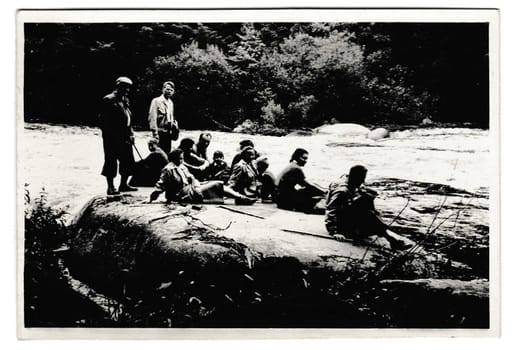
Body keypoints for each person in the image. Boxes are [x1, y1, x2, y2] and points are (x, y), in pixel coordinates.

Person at [325, 165, 412, 250]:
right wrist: (335, 232)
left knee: (368, 197)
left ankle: (378, 229)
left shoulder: (347, 180)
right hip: (341, 224)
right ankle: (392, 240)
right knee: (368, 213)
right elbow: (331, 209)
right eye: (361, 179)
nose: (363, 181)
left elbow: (360, 189)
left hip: (345, 214)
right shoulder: (342, 191)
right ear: (355, 177)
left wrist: (364, 192)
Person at [149, 149, 256, 205]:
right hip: (182, 194)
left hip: (192, 188)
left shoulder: (181, 166)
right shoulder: (168, 169)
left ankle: (242, 198)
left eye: (182, 158)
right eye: (180, 158)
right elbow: (160, 185)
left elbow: (191, 177)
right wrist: (150, 198)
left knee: (217, 182)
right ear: (174, 159)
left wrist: (195, 184)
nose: (182, 161)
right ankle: (243, 198)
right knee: (217, 184)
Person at [98, 76, 138, 195]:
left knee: (128, 160)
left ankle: (123, 184)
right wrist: (112, 135)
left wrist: (131, 134)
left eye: (128, 88)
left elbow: (128, 118)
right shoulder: (109, 99)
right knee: (111, 161)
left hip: (126, 136)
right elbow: (102, 122)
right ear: (118, 86)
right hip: (112, 137)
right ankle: (110, 187)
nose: (127, 90)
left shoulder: (125, 100)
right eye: (124, 87)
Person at [276, 148, 326, 213]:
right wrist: (323, 192)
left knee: (310, 189)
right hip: (284, 202)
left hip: (280, 199)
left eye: (306, 159)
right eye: (304, 158)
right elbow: (307, 185)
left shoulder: (292, 165)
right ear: (297, 157)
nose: (306, 161)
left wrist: (323, 189)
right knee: (310, 191)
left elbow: (306, 183)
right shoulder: (296, 168)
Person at [148, 81, 179, 154]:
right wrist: (155, 134)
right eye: (167, 89)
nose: (169, 91)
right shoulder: (156, 101)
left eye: (171, 90)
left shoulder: (171, 103)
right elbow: (152, 118)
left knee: (167, 153)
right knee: (159, 155)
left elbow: (171, 118)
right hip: (159, 132)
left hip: (168, 133)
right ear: (163, 89)